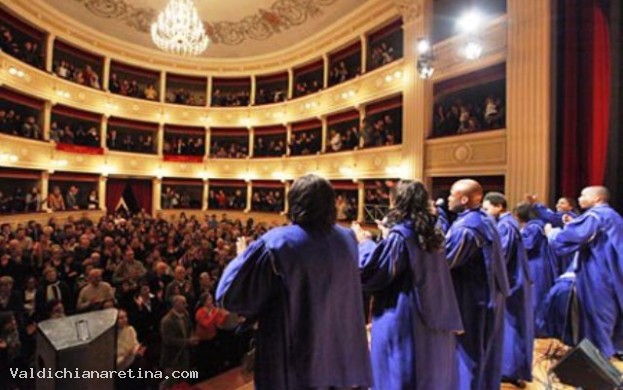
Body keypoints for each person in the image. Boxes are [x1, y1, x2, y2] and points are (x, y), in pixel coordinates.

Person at [216, 174, 371, 390]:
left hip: (296, 367)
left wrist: (242, 258)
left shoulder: (278, 243)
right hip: (341, 363)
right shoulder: (348, 239)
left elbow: (229, 296)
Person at [354, 180, 463, 390]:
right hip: (432, 312)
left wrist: (364, 243)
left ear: (398, 202)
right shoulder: (433, 233)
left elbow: (377, 271)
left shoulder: (402, 235)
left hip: (404, 313)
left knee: (399, 369)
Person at [445, 179, 509, 390]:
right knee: (486, 353)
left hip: (474, 298)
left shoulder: (467, 227)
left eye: (452, 194)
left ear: (463, 199)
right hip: (489, 294)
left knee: (468, 355)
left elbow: (446, 261)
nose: (448, 198)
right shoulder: (485, 219)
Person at [547, 186, 623, 358]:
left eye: (583, 195)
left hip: (598, 276)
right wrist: (572, 224)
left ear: (597, 199)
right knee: (607, 322)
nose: (580, 198)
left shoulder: (595, 215)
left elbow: (569, 237)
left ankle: (597, 376)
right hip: (612, 276)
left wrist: (552, 233)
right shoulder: (613, 215)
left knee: (596, 325)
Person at [482, 192, 533, 385]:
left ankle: (510, 370)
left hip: (512, 283)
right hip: (515, 281)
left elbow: (499, 257)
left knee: (511, 327)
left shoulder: (505, 226)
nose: (486, 213)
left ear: (499, 207)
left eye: (487, 209)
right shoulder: (508, 224)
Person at [514, 202, 557, 331]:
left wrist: (514, 239)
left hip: (535, 264)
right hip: (538, 262)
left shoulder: (533, 227)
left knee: (536, 297)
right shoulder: (535, 225)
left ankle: (537, 328)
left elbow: (528, 245)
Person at [160, 295, 197, 372]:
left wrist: (192, 336)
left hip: (185, 353)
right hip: (173, 357)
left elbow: (190, 328)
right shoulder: (167, 321)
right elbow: (169, 340)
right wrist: (188, 342)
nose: (186, 305)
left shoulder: (186, 315)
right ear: (176, 304)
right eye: (183, 303)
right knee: (171, 381)